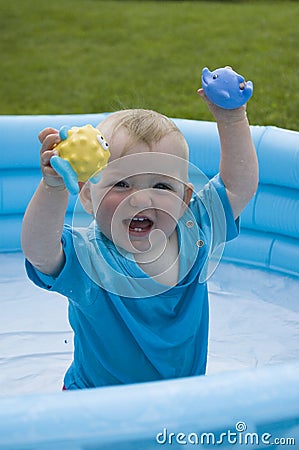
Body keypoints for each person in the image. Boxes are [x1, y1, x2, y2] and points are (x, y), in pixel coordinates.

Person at [21, 86, 258, 390]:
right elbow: (38, 250)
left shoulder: (195, 232)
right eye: (121, 184)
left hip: (184, 400)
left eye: (161, 185)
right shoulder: (89, 260)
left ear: (185, 199)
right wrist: (53, 186)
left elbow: (238, 187)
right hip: (95, 406)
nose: (141, 199)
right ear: (87, 197)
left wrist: (232, 119)